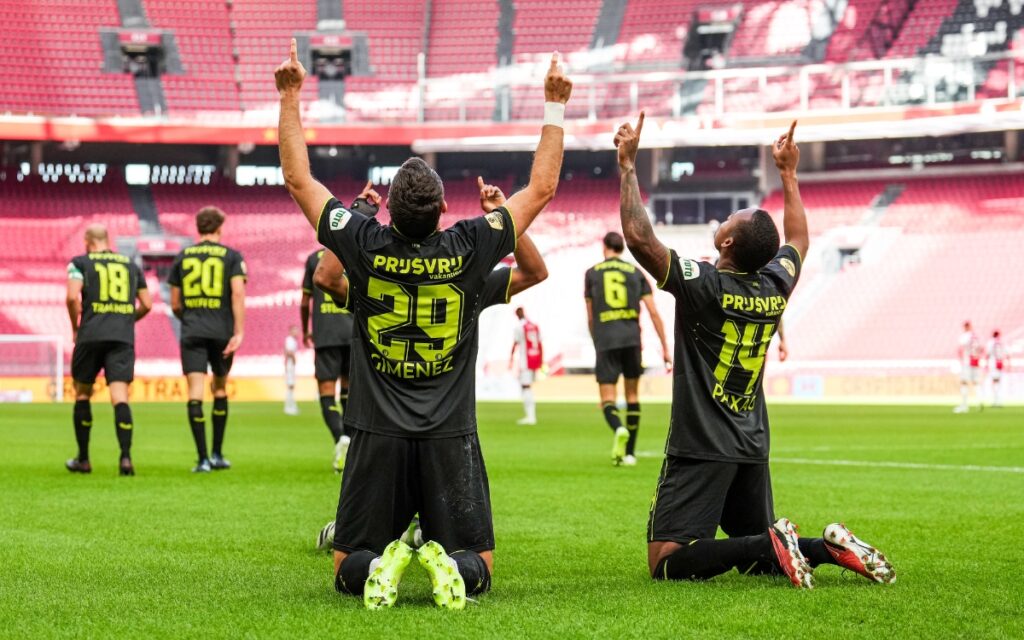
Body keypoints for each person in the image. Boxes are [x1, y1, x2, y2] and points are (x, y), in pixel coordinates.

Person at [277, 39, 572, 610]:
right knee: (479, 561)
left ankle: (383, 562)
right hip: (448, 431)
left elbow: (297, 178)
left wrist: (290, 95)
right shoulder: (469, 249)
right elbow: (542, 188)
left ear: (386, 208)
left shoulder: (363, 245)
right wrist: (554, 105)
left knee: (346, 564)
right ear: (442, 211)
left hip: (374, 430)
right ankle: (450, 567)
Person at [615, 115, 894, 589]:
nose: (724, 220)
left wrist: (627, 166)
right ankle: (826, 548)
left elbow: (640, 240)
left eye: (729, 221)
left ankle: (774, 543)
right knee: (756, 549)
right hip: (752, 440)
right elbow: (800, 241)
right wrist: (788, 175)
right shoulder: (775, 284)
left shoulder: (705, 285)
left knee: (666, 561)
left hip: (703, 442)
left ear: (725, 242)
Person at [313, 191, 549, 558]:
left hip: (384, 422)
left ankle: (359, 535)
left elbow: (326, 277)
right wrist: (508, 220)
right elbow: (536, 272)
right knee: (459, 540)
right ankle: (423, 533)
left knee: (359, 543)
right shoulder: (468, 276)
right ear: (442, 209)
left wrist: (355, 214)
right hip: (443, 423)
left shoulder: (373, 276)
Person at [64, 224, 152, 476]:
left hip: (90, 335)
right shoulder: (130, 265)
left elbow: (72, 297)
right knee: (120, 396)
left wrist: (75, 327)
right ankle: (125, 458)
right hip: (121, 338)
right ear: (107, 239)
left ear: (87, 240)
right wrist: (125, 319)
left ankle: (83, 459)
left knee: (82, 393)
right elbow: (147, 303)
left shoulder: (80, 262)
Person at [168, 207, 247, 473]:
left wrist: (191, 319)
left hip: (192, 331)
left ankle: (202, 459)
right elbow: (237, 294)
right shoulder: (232, 257)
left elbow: (175, 303)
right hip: (222, 331)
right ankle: (217, 453)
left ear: (199, 227)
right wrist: (238, 331)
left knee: (195, 394)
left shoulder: (182, 256)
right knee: (220, 389)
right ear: (219, 228)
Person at [584, 231, 671, 466]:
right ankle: (630, 453)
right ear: (622, 248)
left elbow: (591, 317)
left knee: (607, 399)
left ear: (605, 247)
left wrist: (597, 340)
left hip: (606, 340)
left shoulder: (592, 273)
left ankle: (619, 428)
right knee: (632, 396)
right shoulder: (635, 272)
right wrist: (665, 347)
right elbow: (653, 312)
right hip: (632, 339)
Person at [510, 307, 543, 425]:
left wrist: (510, 359)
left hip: (525, 361)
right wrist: (540, 361)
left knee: (525, 387)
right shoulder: (534, 326)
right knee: (526, 387)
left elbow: (515, 344)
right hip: (534, 359)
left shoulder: (519, 327)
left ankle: (530, 417)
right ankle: (530, 415)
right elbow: (539, 344)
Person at [955, 320, 982, 413]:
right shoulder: (976, 337)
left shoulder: (965, 336)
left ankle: (964, 405)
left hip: (967, 362)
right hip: (976, 362)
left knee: (964, 382)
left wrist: (961, 360)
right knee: (976, 382)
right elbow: (981, 349)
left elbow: (960, 349)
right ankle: (979, 402)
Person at [987, 329, 1009, 408]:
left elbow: (988, 354)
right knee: (998, 383)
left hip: (993, 364)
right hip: (1000, 363)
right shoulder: (1002, 342)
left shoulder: (991, 342)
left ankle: (996, 401)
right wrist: (1009, 364)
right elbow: (1007, 354)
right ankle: (998, 400)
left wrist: (986, 365)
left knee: (994, 382)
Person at [284, 325, 300, 416]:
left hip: (291, 365)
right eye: (295, 330)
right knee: (290, 386)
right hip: (290, 365)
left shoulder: (292, 340)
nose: (297, 332)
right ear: (290, 331)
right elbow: (288, 351)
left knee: (291, 386)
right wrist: (294, 359)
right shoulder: (289, 340)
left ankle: (291, 405)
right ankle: (288, 407)